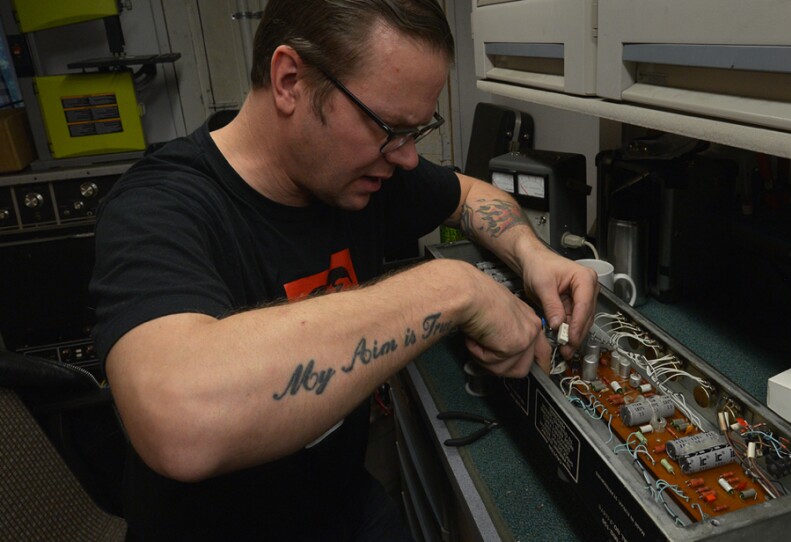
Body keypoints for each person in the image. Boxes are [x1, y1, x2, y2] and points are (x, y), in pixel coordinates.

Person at [89, 0, 599, 539]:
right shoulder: (158, 207)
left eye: (417, 132)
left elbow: (470, 196)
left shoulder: (360, 172)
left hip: (339, 504)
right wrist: (452, 287)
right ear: (289, 81)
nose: (405, 158)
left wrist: (533, 253)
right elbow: (180, 421)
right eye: (389, 127)